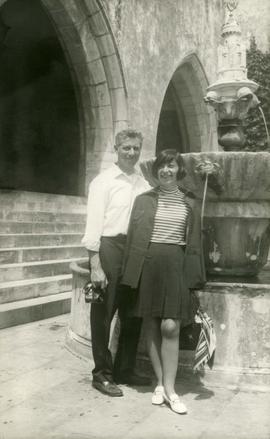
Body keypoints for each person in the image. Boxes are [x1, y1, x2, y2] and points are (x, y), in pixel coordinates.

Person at [121, 149, 206, 414]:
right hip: (149, 264)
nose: (166, 170)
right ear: (156, 170)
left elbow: (195, 244)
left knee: (171, 327)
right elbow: (133, 238)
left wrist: (195, 279)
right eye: (162, 166)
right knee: (151, 322)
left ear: (179, 171)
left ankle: (170, 389)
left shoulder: (190, 202)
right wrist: (130, 274)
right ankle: (161, 384)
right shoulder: (144, 200)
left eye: (171, 166)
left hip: (176, 264)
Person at [82, 129, 151, 397]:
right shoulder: (103, 182)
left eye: (135, 148)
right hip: (109, 248)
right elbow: (93, 225)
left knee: (132, 313)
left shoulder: (142, 183)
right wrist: (95, 265)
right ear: (116, 148)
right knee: (102, 313)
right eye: (126, 148)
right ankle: (101, 374)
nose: (131, 153)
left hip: (135, 250)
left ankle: (125, 369)